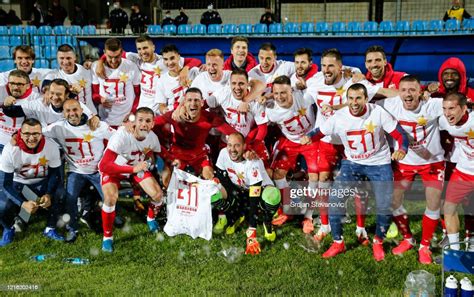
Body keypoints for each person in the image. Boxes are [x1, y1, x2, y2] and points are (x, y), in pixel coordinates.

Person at [303, 83, 409, 261]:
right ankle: (338, 242)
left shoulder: (377, 112)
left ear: (366, 99)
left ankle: (378, 242)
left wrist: (402, 149)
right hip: (352, 163)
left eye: (358, 98)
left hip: (379, 163)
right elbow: (320, 131)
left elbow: (400, 135)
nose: (354, 102)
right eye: (351, 98)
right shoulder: (339, 117)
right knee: (335, 199)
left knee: (385, 204)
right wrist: (309, 137)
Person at [377, 75, 445, 264]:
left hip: (432, 162)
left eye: (412, 90)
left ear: (420, 92)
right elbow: (367, 98)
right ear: (398, 92)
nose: (408, 94)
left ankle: (424, 246)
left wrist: (436, 89)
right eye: (404, 90)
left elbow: (456, 102)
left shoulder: (432, 105)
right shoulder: (390, 104)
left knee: (432, 203)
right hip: (404, 162)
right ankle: (408, 238)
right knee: (394, 200)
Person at [43, 99, 114, 242]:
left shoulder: (97, 126)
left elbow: (118, 138)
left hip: (98, 170)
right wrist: (15, 137)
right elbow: (37, 133)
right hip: (76, 170)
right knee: (70, 199)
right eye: (68, 111)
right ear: (63, 113)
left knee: (110, 198)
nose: (72, 113)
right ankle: (73, 228)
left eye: (75, 109)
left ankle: (107, 225)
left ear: (82, 110)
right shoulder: (57, 127)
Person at [98, 107, 163, 252]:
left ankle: (151, 219)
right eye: (140, 120)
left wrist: (149, 162)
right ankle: (107, 237)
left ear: (153, 123)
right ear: (134, 122)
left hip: (136, 169)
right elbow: (104, 165)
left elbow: (152, 156)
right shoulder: (121, 135)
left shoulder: (152, 137)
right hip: (116, 170)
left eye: (148, 121)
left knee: (158, 195)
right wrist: (133, 169)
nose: (144, 124)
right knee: (110, 199)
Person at [262, 75, 318, 234]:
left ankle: (308, 216)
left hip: (311, 139)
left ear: (291, 90)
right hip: (290, 141)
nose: (280, 97)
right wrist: (262, 99)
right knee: (278, 174)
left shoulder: (304, 96)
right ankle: (289, 209)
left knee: (315, 176)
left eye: (284, 92)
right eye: (276, 93)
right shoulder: (272, 111)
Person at [214, 132, 280, 255]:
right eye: (230, 145)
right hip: (240, 189)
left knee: (273, 196)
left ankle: (267, 220)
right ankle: (235, 215)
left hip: (261, 191)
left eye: (237, 146)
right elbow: (221, 176)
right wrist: (233, 196)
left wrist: (252, 232)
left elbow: (254, 197)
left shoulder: (252, 162)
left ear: (244, 146)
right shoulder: (223, 153)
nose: (232, 150)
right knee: (213, 192)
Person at [0, 118, 63, 246]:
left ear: (41, 134)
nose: (31, 138)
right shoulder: (9, 149)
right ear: (20, 134)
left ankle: (50, 228)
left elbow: (55, 174)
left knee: (61, 194)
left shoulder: (51, 146)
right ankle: (9, 227)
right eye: (27, 134)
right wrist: (22, 203)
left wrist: (49, 194)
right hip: (18, 183)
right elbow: (5, 184)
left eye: (35, 134)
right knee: (2, 205)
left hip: (41, 182)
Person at [154, 88, 236, 185]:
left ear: (202, 103)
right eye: (189, 100)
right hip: (177, 154)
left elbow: (232, 133)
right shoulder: (175, 115)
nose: (193, 103)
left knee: (210, 180)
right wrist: (134, 126)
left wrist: (247, 147)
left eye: (196, 100)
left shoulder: (210, 118)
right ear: (184, 103)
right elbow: (153, 124)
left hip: (199, 155)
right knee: (168, 181)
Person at [439, 93, 474, 251]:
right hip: (463, 170)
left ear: (464, 108)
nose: (447, 113)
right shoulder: (443, 121)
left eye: (452, 108)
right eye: (445, 109)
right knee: (449, 207)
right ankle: (454, 249)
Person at [91, 38, 141, 128]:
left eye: (117, 57)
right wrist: (100, 99)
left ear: (122, 52)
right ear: (104, 53)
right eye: (110, 57)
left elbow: (138, 94)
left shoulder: (131, 66)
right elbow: (94, 94)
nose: (113, 61)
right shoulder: (96, 67)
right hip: (105, 120)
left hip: (127, 120)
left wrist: (133, 112)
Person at [45, 44, 97, 114]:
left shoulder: (87, 70)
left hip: (90, 115)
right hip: (69, 117)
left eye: (68, 58)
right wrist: (47, 92)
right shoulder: (52, 76)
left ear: (74, 57)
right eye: (61, 58)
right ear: (57, 59)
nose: (65, 62)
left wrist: (93, 63)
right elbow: (46, 87)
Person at [0, 70, 41, 154]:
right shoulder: (1, 91)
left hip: (22, 144)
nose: (15, 87)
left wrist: (4, 105)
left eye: (20, 84)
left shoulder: (36, 99)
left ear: (28, 86)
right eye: (12, 83)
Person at [154, 44, 200, 114]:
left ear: (178, 57)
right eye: (166, 59)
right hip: (174, 115)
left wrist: (186, 68)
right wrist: (164, 110)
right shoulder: (161, 81)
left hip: (193, 113)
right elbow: (161, 105)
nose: (169, 62)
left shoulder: (193, 72)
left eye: (172, 58)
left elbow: (198, 61)